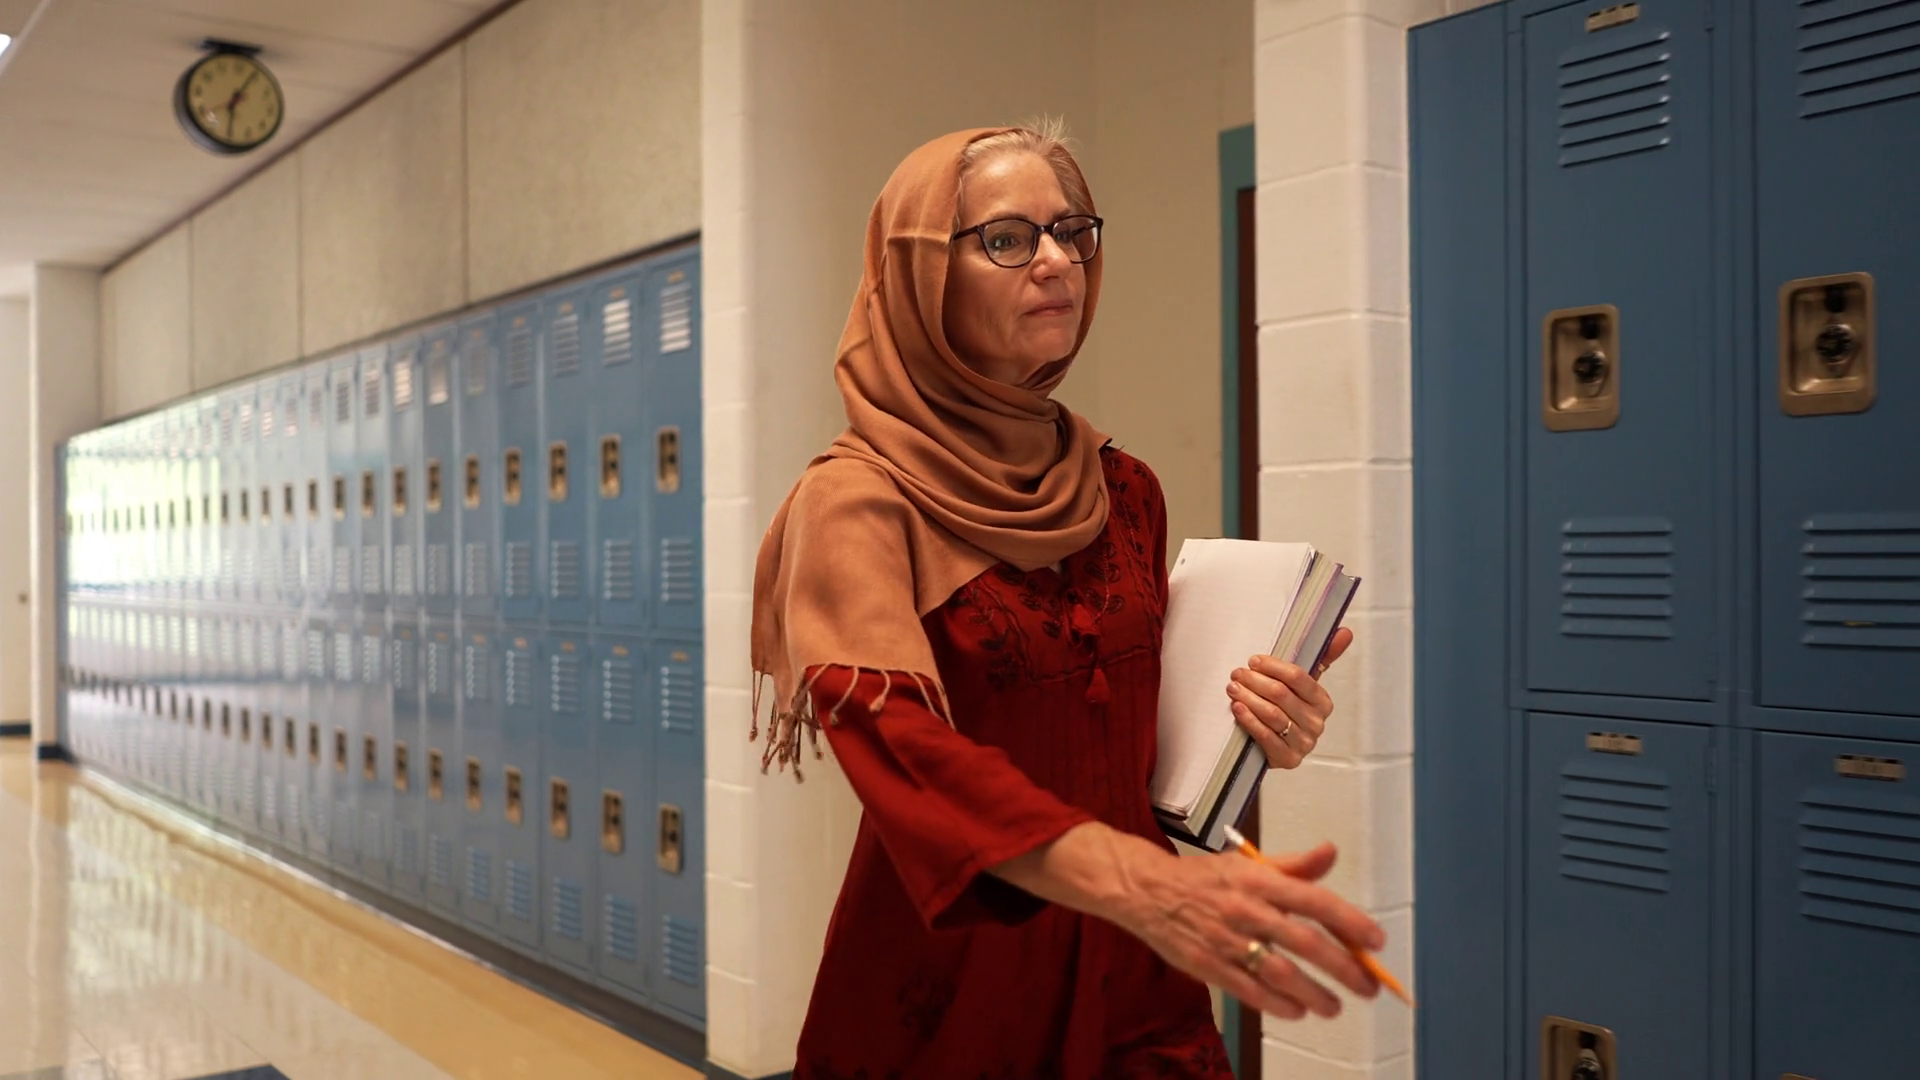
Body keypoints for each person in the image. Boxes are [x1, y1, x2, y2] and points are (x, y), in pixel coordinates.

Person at [750, 123, 1383, 1080]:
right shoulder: (857, 501)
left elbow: (1130, 747)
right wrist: (1137, 884)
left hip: (1137, 971)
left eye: (1071, 231)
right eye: (1007, 238)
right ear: (922, 277)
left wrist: (1256, 729)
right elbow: (904, 747)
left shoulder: (1123, 488)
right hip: (958, 981)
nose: (1056, 261)